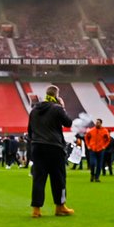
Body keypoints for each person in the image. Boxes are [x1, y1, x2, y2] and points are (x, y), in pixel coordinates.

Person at [28, 84, 74, 217]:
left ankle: (36, 210)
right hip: (54, 147)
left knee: (38, 179)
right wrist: (63, 108)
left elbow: (30, 131)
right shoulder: (57, 108)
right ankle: (60, 207)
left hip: (37, 146)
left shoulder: (34, 110)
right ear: (56, 95)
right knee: (58, 178)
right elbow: (68, 123)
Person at [85, 118, 110, 182]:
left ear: (101, 123)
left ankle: (97, 177)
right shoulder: (91, 130)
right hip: (92, 149)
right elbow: (86, 137)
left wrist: (104, 146)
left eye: (98, 122)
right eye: (96, 122)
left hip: (100, 149)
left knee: (99, 164)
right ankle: (92, 174)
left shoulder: (105, 131)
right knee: (92, 163)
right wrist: (88, 145)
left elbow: (108, 140)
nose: (96, 123)